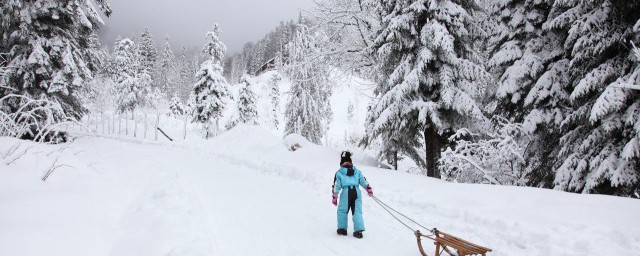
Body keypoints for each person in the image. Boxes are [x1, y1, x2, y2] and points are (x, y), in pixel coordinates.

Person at [332, 151, 373, 239]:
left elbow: (336, 185)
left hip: (346, 192)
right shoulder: (357, 171)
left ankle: (342, 229)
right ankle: (358, 231)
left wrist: (335, 196)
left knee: (342, 210)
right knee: (357, 211)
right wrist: (368, 188)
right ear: (351, 161)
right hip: (356, 192)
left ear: (341, 162)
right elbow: (363, 180)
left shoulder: (339, 173)